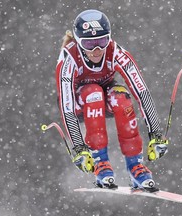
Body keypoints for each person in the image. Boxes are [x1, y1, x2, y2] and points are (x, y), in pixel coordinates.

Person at [55, 9, 168, 190]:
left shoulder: (115, 51)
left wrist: (156, 134)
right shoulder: (69, 59)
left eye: (102, 41)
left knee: (121, 97)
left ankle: (136, 165)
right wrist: (79, 148)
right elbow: (66, 106)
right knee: (93, 93)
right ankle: (100, 162)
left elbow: (141, 91)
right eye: (89, 43)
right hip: (80, 104)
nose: (97, 49)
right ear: (78, 42)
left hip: (106, 98)